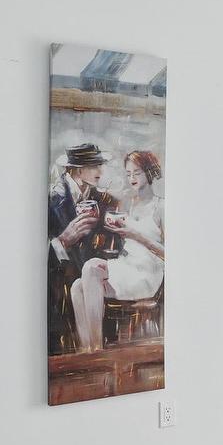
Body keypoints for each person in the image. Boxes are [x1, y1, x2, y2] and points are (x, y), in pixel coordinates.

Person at [70, 150, 165, 352]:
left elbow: (169, 255)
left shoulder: (160, 207)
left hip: (147, 273)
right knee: (77, 286)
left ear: (149, 172)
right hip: (126, 267)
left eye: (136, 173)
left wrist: (133, 235)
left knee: (91, 267)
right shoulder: (129, 204)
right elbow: (124, 241)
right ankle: (87, 351)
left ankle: (96, 350)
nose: (131, 178)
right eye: (128, 173)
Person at [47, 143, 121, 354]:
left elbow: (113, 244)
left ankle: (93, 351)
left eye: (101, 165)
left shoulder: (104, 200)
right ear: (78, 169)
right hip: (58, 294)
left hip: (93, 287)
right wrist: (62, 241)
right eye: (95, 166)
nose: (101, 171)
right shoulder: (51, 200)